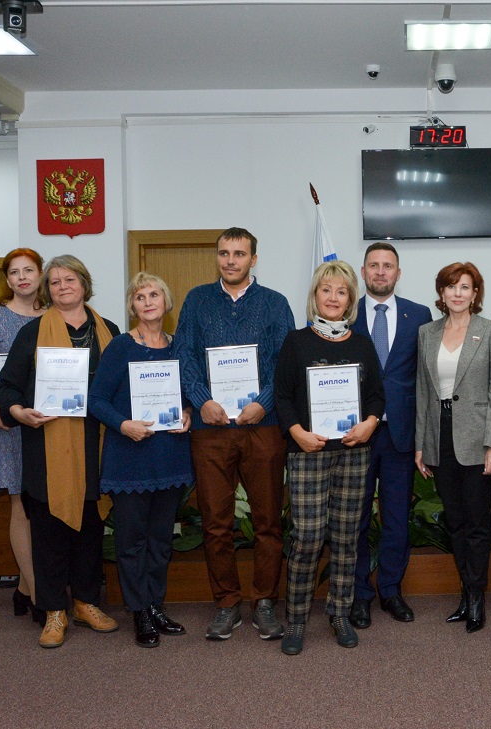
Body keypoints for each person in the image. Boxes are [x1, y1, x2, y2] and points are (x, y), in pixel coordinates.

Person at [175, 227, 294, 641]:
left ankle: (264, 601)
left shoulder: (276, 303)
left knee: (267, 522)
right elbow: (184, 355)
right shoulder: (196, 300)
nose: (230, 260)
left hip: (263, 427)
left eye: (239, 253)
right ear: (217, 257)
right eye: (224, 253)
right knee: (215, 523)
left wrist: (264, 401)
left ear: (253, 259)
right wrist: (201, 398)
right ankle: (227, 603)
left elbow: (284, 361)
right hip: (212, 428)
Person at [0, 255, 121, 648]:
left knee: (89, 528)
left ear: (84, 284)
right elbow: (8, 388)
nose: (62, 286)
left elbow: (123, 387)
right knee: (49, 532)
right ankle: (53, 610)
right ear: (46, 290)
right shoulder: (31, 333)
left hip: (96, 443)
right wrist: (19, 411)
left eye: (70, 279)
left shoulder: (111, 331)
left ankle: (85, 602)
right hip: (47, 445)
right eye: (54, 282)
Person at [274, 261, 385, 655]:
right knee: (306, 537)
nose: (333, 297)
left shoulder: (360, 343)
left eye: (341, 292)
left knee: (344, 537)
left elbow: (376, 395)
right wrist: (297, 433)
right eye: (326, 290)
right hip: (308, 453)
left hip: (353, 453)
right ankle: (297, 619)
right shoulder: (296, 341)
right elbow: (282, 396)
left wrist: (370, 423)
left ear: (350, 300)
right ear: (315, 297)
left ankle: (339, 614)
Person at [90, 273, 193, 648]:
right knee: (132, 540)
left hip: (170, 457)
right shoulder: (119, 347)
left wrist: (188, 412)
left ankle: (156, 605)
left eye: (154, 295)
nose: (148, 301)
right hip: (130, 457)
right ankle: (139, 611)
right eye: (139, 296)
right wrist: (123, 424)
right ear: (132, 306)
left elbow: (189, 394)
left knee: (162, 539)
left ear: (167, 303)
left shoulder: (180, 346)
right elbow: (96, 400)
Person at [414, 262, 491, 633]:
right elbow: (424, 392)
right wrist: (421, 445)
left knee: (476, 524)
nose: (457, 293)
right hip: (440, 436)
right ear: (441, 293)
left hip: (476, 437)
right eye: (451, 286)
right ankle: (465, 592)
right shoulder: (426, 333)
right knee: (454, 522)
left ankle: (477, 597)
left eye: (465, 287)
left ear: (475, 294)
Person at [348, 243, 432, 628]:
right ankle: (360, 595)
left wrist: (423, 439)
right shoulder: (344, 314)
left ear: (398, 273)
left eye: (388, 266)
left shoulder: (420, 315)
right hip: (356, 434)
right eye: (374, 266)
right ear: (363, 272)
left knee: (397, 518)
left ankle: (391, 591)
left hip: (401, 434)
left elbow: (425, 378)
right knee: (357, 519)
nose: (381, 272)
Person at [0, 247, 46, 626]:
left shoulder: (54, 316)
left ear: (40, 274)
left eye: (28, 270)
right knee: (21, 504)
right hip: (10, 426)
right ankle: (38, 596)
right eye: (14, 272)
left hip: (49, 425)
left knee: (44, 507)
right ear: (7, 279)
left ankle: (23, 588)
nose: (22, 278)